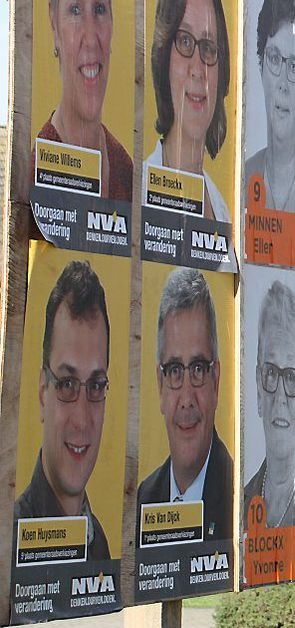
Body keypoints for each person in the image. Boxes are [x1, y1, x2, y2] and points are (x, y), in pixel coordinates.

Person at [15, 261, 112, 560]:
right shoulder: (11, 538)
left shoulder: (98, 542)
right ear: (43, 391)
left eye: (96, 385)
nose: (82, 420)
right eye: (67, 384)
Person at [138, 268, 233, 542]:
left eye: (199, 369)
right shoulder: (145, 497)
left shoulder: (236, 492)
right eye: (176, 371)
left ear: (216, 381)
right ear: (160, 385)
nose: (187, 398)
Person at [243, 281, 295, 528]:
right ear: (258, 386)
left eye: (290, 377)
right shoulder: (241, 500)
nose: (279, 396)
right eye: (270, 373)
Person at [36, 0, 132, 200]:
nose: (90, 39)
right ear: (54, 25)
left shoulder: (125, 169)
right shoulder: (35, 173)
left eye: (99, 9)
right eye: (75, 10)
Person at [147, 0, 231, 223]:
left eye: (208, 48)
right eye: (185, 41)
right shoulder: (136, 193)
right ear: (164, 58)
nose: (198, 69)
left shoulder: (222, 211)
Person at [244, 0, 295, 215]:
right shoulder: (240, 182)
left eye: (294, 66)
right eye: (275, 59)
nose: (283, 84)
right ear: (260, 66)